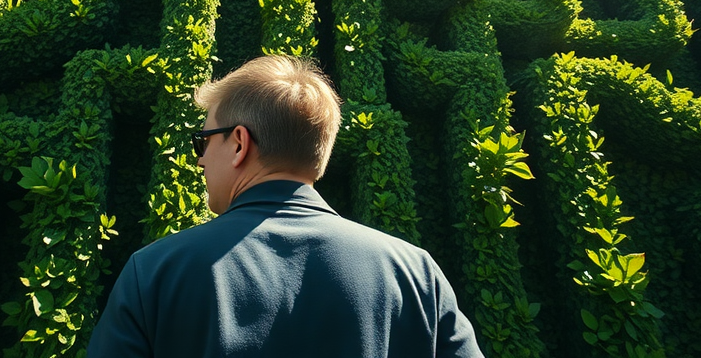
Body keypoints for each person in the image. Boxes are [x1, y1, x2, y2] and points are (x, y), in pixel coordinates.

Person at [86, 55, 484, 358]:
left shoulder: (155, 272)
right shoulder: (414, 274)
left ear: (239, 143)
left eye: (202, 141)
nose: (201, 159)